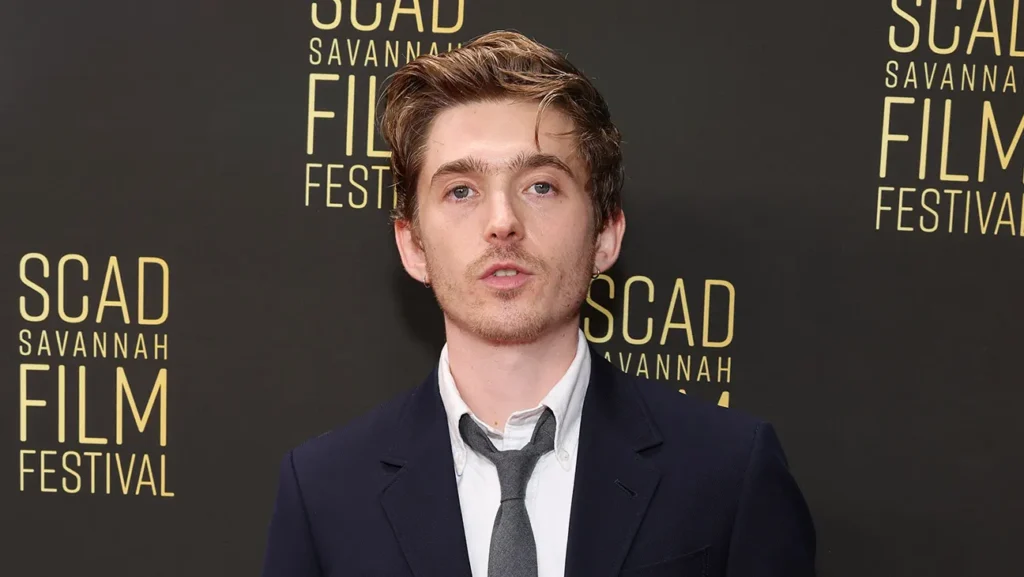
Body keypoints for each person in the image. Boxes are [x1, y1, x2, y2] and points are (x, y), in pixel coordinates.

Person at [261, 30, 816, 577]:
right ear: (413, 246)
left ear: (606, 234)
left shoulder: (728, 470)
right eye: (461, 191)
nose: (502, 222)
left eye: (541, 186)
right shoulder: (324, 491)